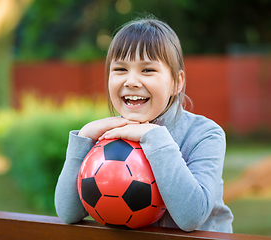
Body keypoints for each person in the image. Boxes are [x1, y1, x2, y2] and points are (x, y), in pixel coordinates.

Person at [54, 16, 233, 233]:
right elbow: (68, 212)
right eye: (120, 69)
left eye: (147, 70)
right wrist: (82, 140)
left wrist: (155, 137)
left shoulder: (205, 134)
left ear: (177, 82)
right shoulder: (107, 138)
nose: (131, 81)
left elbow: (191, 217)